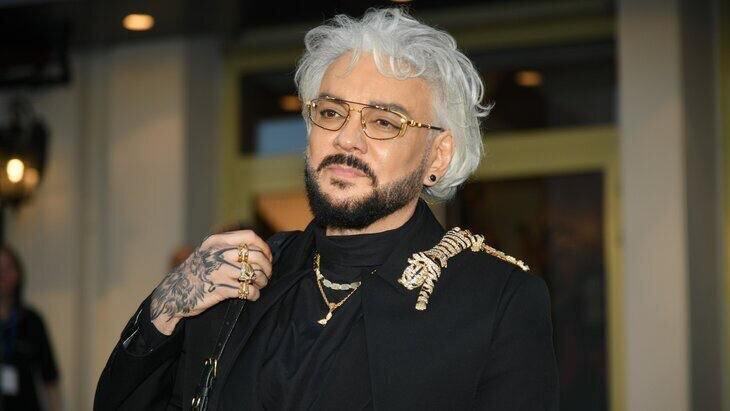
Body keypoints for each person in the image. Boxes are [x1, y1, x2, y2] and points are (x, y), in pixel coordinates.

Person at [95, 8, 559, 410]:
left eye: (384, 121)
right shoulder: (243, 275)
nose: (347, 139)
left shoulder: (495, 300)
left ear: (437, 157)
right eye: (332, 113)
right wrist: (166, 307)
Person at [0, 245, 61, 411]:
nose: (2, 275)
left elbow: (50, 378)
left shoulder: (32, 321)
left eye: (7, 268)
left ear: (18, 274)